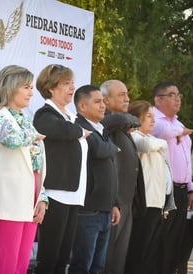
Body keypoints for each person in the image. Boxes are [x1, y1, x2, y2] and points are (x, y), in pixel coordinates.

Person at [0, 65, 48, 274]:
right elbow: (12, 140)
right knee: (7, 263)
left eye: (31, 87)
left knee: (21, 264)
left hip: (30, 197)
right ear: (11, 88)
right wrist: (33, 137)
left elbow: (38, 164)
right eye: (26, 87)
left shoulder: (26, 121)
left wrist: (42, 198)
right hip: (9, 200)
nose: (31, 92)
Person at [32, 64, 88, 274]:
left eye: (72, 82)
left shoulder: (71, 117)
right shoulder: (45, 114)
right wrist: (78, 131)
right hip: (55, 194)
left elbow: (77, 131)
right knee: (49, 258)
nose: (72, 87)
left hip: (74, 194)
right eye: (66, 83)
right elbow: (63, 131)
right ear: (51, 88)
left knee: (63, 258)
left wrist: (78, 130)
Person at [68, 85, 120, 274]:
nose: (103, 106)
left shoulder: (101, 128)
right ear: (82, 106)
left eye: (103, 101)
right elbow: (99, 150)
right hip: (88, 210)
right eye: (97, 102)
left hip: (105, 209)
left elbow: (111, 167)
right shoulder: (79, 126)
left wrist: (115, 203)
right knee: (82, 265)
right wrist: (113, 148)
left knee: (97, 267)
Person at [100, 79, 146, 274]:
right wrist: (130, 119)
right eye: (121, 95)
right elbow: (131, 120)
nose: (127, 98)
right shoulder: (107, 121)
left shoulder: (119, 123)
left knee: (119, 258)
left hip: (126, 200)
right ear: (105, 100)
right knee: (107, 258)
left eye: (127, 94)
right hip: (113, 200)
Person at [124, 100, 176, 274]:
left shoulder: (153, 140)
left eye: (153, 116)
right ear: (136, 118)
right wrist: (163, 143)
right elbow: (146, 146)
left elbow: (166, 175)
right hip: (144, 204)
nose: (153, 120)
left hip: (158, 204)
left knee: (151, 252)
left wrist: (166, 202)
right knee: (139, 250)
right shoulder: (134, 136)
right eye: (148, 116)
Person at [151, 82, 193, 274]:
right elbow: (161, 132)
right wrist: (181, 132)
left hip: (181, 190)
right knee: (160, 239)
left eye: (179, 95)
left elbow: (186, 159)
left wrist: (190, 188)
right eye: (171, 95)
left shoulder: (178, 123)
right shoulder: (153, 118)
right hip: (163, 190)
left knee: (176, 241)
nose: (177, 98)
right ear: (158, 100)